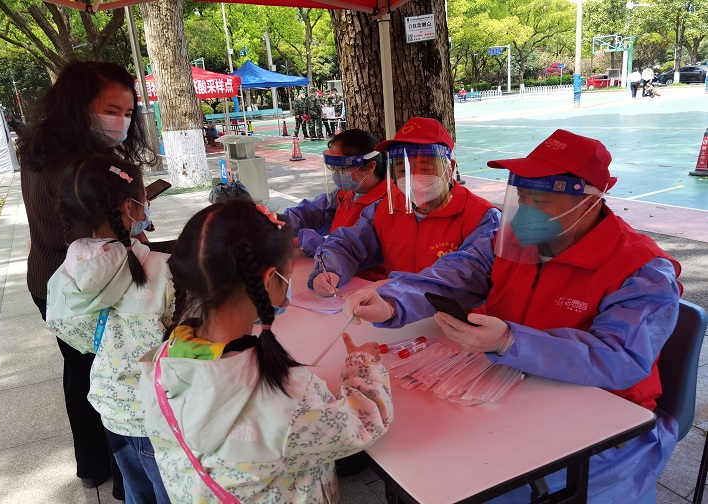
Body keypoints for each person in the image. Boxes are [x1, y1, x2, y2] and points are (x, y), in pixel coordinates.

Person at [345, 129, 682, 504]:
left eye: (540, 199)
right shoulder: (513, 239)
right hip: (509, 386)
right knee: (427, 461)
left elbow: (621, 358)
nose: (525, 210)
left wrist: (511, 341)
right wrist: (393, 301)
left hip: (604, 420)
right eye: (521, 196)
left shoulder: (642, 271)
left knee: (475, 485)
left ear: (589, 201)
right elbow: (459, 272)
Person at [137, 199, 393, 503]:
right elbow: (365, 422)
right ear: (269, 280)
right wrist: (363, 364)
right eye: (287, 274)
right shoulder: (287, 396)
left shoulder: (162, 358)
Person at [16, 60, 156, 496]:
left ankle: (91, 465)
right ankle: (127, 475)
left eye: (128, 113)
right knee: (113, 377)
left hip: (49, 282)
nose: (121, 122)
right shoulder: (88, 169)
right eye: (110, 110)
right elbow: (108, 237)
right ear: (78, 106)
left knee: (80, 371)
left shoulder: (39, 150)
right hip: (89, 288)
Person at [46, 155, 173, 504]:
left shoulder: (71, 269)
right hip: (153, 411)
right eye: (144, 200)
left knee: (136, 490)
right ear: (130, 207)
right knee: (168, 492)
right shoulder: (162, 270)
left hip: (111, 404)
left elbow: (69, 329)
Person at [309, 117, 499, 297]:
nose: (412, 176)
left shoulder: (481, 217)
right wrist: (329, 270)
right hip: (392, 312)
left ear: (450, 168)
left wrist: (397, 300)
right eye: (402, 169)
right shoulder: (385, 208)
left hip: (453, 317)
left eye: (425, 168)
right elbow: (349, 243)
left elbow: (464, 276)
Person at [283, 129, 388, 261]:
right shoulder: (345, 194)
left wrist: (300, 241)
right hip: (335, 268)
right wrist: (278, 224)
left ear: (370, 167)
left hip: (363, 273)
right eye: (333, 168)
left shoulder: (387, 204)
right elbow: (310, 213)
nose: (337, 173)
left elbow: (345, 247)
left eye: (343, 168)